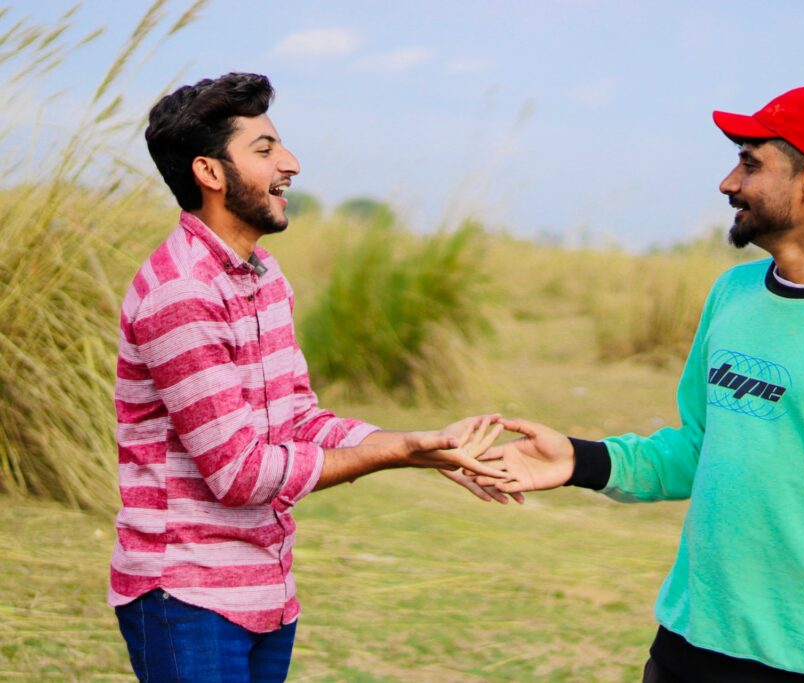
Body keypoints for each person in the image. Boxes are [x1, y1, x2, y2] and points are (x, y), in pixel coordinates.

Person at [475, 86, 804, 682]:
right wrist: (576, 459)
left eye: (751, 164)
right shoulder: (732, 294)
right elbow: (697, 449)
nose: (729, 182)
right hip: (685, 641)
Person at [109, 72, 515, 683]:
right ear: (211, 173)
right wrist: (395, 454)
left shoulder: (265, 276)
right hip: (187, 598)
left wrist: (424, 446)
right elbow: (240, 473)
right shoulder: (182, 292)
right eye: (265, 149)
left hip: (267, 593)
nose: (291, 164)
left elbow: (299, 419)